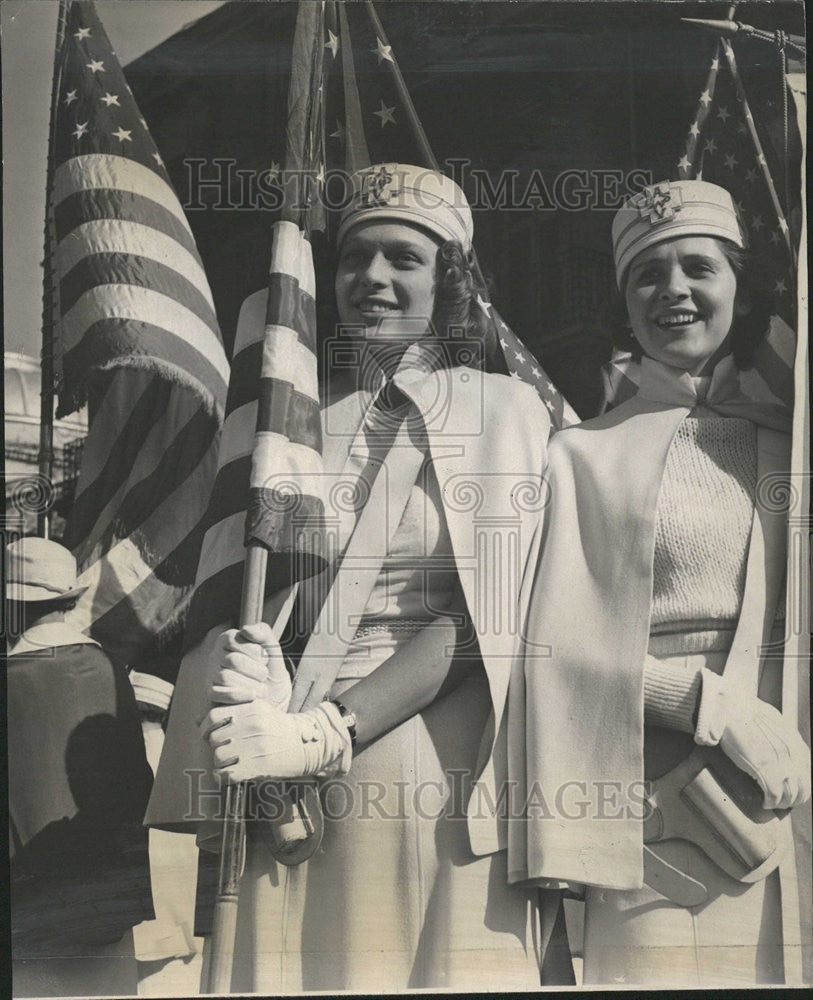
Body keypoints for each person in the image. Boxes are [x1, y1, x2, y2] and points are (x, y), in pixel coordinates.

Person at [152, 163, 554, 992]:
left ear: (448, 280)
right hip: (277, 753)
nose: (371, 278)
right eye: (354, 257)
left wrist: (333, 729)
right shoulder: (288, 421)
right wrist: (249, 659)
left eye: (404, 258)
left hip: (430, 742)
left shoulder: (500, 410)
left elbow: (497, 613)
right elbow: (256, 585)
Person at [510, 179, 810, 986]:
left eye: (696, 268)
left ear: (738, 288)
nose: (672, 290)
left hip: (794, 798)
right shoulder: (580, 454)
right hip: (656, 811)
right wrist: (713, 707)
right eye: (647, 274)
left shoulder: (795, 443)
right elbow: (552, 648)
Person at [6, 536, 154, 998]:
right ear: (68, 601)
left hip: (29, 901)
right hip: (107, 897)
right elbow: (139, 785)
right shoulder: (111, 667)